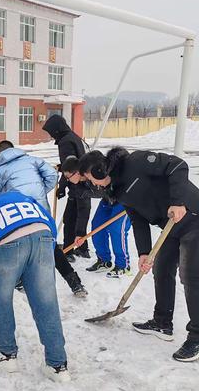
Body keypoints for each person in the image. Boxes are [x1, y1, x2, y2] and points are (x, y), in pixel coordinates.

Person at [79, 148, 199, 362]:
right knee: (161, 271)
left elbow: (178, 165)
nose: (94, 185)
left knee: (190, 277)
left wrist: (178, 201)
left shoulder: (136, 161)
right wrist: (144, 252)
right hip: (170, 226)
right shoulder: (117, 191)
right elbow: (138, 220)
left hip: (192, 215)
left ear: (98, 170)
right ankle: (162, 323)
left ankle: (197, 336)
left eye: (91, 178)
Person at [0, 191, 70, 381]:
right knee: (47, 302)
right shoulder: (19, 198)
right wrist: (38, 259)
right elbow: (50, 224)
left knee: (1, 299)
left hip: (7, 244)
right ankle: (58, 365)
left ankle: (6, 355)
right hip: (43, 236)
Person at [0, 140, 87, 297]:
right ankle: (76, 284)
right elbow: (53, 174)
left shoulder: (0, 170)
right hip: (40, 209)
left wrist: (6, 199)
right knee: (50, 244)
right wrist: (39, 193)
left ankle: (20, 281)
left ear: (0, 154)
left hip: (18, 213)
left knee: (18, 242)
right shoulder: (32, 160)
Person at [61, 156, 131, 278]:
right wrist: (80, 233)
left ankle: (123, 265)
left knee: (116, 229)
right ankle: (104, 260)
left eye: (68, 177)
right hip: (107, 200)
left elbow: (105, 187)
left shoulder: (94, 171)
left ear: (77, 173)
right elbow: (83, 210)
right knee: (97, 225)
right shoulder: (79, 185)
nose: (68, 180)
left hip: (123, 200)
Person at [43, 114, 91, 261]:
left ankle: (68, 251)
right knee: (76, 216)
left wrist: (63, 186)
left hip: (77, 184)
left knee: (71, 218)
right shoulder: (73, 137)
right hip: (83, 181)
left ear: (56, 130)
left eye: (50, 131)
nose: (50, 135)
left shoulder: (65, 142)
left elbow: (69, 167)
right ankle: (82, 248)